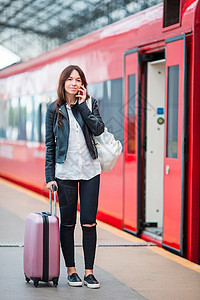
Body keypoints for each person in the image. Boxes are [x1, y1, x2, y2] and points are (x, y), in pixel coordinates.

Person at [45, 65, 104, 289]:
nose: (74, 83)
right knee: (68, 222)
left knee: (89, 222)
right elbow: (50, 145)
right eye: (70, 79)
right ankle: (71, 270)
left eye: (78, 79)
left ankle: (89, 272)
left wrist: (83, 107)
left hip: (90, 171)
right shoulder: (54, 109)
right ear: (63, 83)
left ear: (83, 84)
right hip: (65, 173)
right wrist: (50, 176)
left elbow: (98, 129)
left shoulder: (91, 103)